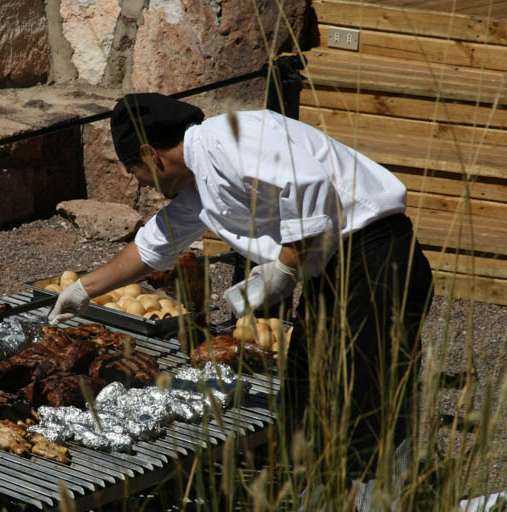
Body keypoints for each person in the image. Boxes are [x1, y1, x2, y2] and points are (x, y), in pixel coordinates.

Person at [48, 92, 433, 480]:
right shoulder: (199, 186)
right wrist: (83, 290)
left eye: (135, 171)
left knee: (361, 410)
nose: (141, 183)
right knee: (304, 393)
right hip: (334, 274)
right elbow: (152, 245)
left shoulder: (226, 140)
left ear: (151, 155)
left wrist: (285, 268)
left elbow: (308, 184)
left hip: (376, 260)